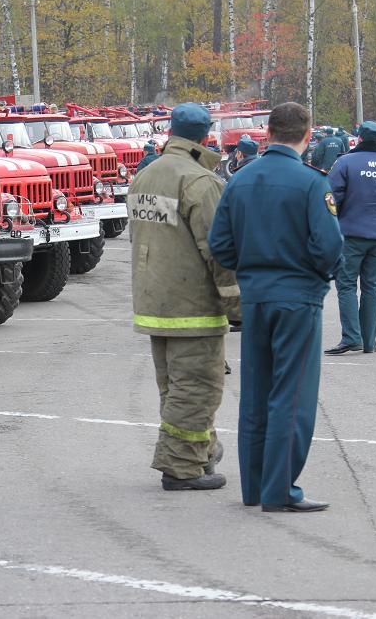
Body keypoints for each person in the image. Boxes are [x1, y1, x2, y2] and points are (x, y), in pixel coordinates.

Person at [209, 102, 343, 513]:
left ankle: (255, 487)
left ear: (267, 132)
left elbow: (221, 246)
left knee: (256, 392)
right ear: (308, 134)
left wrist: (252, 270)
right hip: (297, 298)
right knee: (293, 395)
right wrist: (317, 277)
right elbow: (330, 245)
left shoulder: (240, 179)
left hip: (256, 297)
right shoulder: (309, 182)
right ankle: (280, 490)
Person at [128, 102, 241, 491]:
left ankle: (201, 452)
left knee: (176, 389)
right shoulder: (200, 181)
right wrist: (238, 304)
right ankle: (181, 468)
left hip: (155, 303)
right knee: (197, 388)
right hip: (192, 308)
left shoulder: (147, 175)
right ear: (206, 136)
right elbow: (219, 250)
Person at [324, 121, 376, 355]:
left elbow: (331, 197)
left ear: (359, 138)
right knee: (372, 288)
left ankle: (352, 337)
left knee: (347, 285)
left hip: (351, 234)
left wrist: (336, 221)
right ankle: (369, 340)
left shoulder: (345, 163)